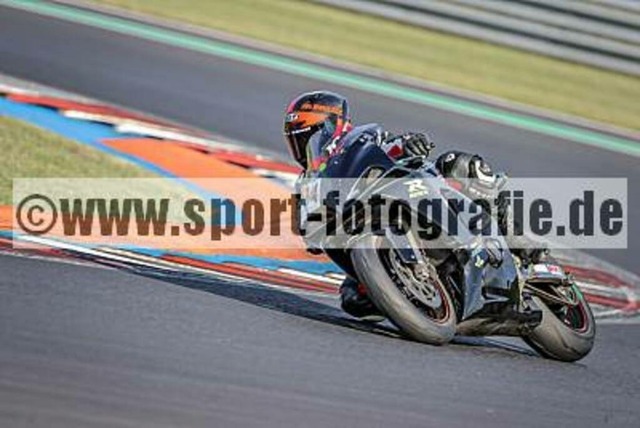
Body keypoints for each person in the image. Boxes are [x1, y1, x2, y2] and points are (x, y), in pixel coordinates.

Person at [284, 90, 542, 320]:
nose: (303, 144)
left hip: (410, 192)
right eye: (298, 139)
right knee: (352, 300)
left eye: (309, 134)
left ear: (333, 124)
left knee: (457, 164)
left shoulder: (363, 138)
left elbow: (394, 146)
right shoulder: (307, 184)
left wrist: (409, 143)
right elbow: (309, 234)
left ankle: (512, 233)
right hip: (361, 228)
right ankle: (418, 299)